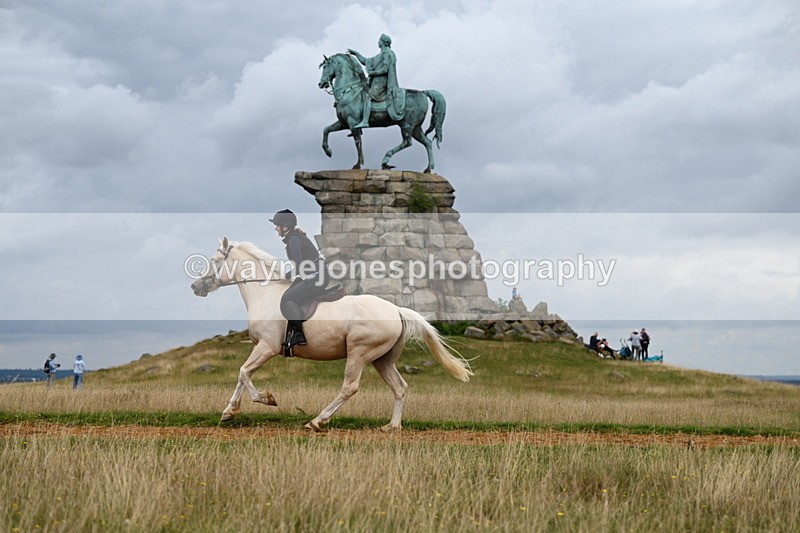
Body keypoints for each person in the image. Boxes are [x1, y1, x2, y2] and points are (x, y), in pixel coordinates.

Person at [270, 209, 328, 356]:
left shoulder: (294, 240)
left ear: (285, 226)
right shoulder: (294, 238)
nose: (275, 228)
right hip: (315, 275)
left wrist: (286, 275)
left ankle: (298, 335)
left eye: (277, 225)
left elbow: (301, 265)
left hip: (316, 277)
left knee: (288, 298)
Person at [347, 33, 406, 128]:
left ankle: (365, 121)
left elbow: (385, 69)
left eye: (379, 40)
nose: (378, 42)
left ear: (383, 42)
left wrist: (374, 73)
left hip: (382, 83)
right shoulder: (380, 55)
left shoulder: (388, 53)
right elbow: (365, 61)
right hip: (376, 82)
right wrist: (356, 54)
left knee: (367, 96)